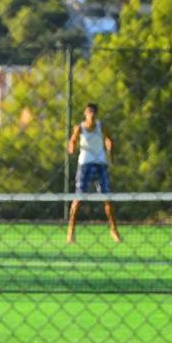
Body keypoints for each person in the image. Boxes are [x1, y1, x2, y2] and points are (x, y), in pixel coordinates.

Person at [66, 103, 121, 244]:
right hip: (85, 164)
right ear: (85, 113)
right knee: (78, 199)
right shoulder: (80, 128)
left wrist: (110, 154)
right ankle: (71, 232)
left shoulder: (101, 126)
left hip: (100, 164)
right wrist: (72, 146)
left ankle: (114, 230)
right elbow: (72, 141)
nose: (92, 114)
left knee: (107, 199)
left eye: (94, 112)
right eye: (89, 112)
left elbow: (110, 139)